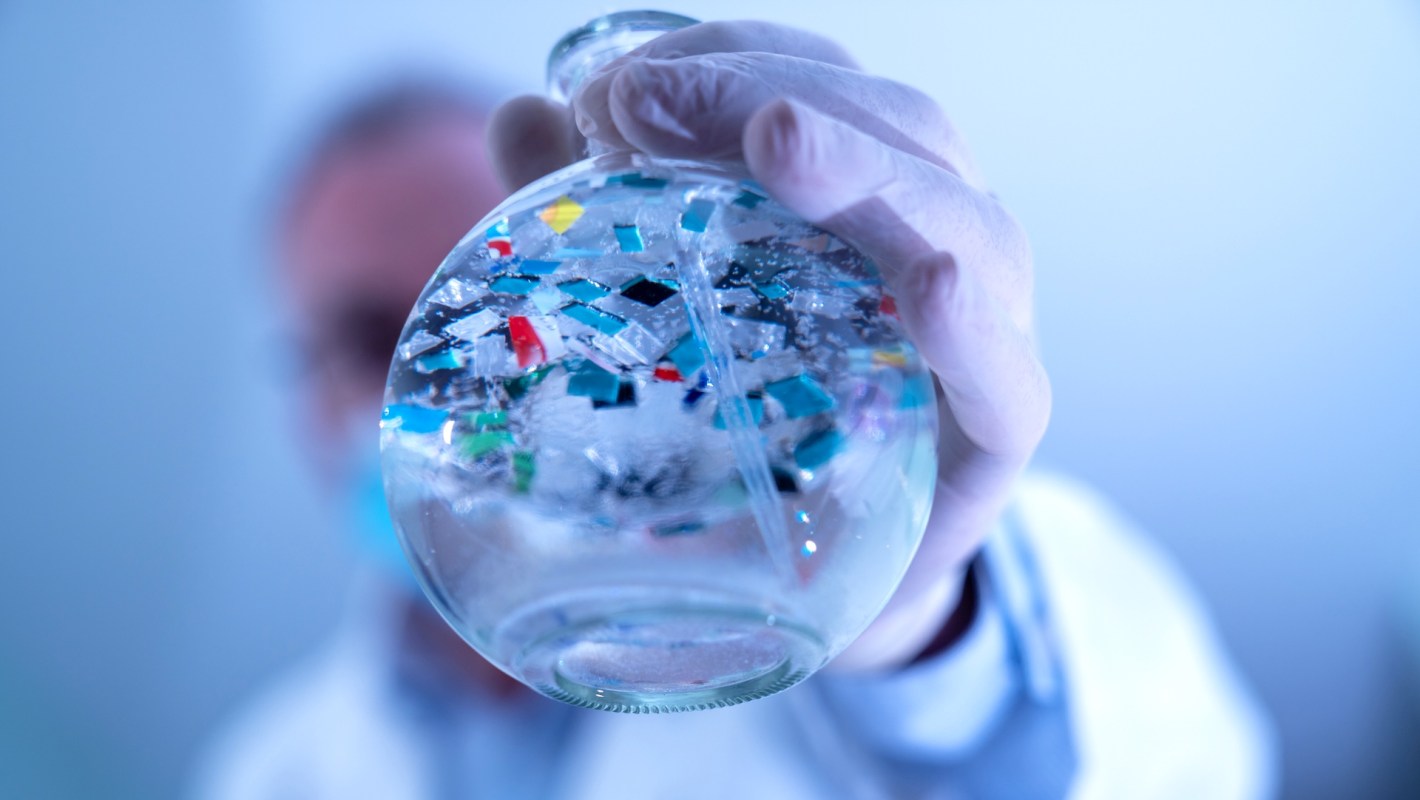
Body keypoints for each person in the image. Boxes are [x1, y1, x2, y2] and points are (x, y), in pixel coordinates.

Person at [195, 20, 1275, 799]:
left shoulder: (809, 579)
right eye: (368, 335)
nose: (449, 377)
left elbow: (1187, 768)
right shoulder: (266, 770)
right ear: (302, 395)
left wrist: (925, 630)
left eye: (503, 314)